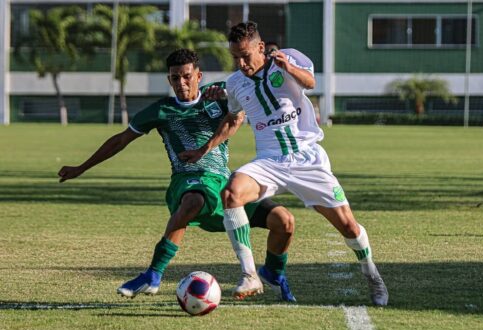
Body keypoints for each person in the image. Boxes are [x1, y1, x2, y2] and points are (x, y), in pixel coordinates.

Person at [57, 48, 297, 302]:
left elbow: (251, 89)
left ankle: (273, 271)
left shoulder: (220, 93)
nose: (181, 83)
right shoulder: (161, 110)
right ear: (169, 79)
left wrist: (272, 59)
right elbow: (120, 140)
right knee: (193, 201)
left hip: (224, 184)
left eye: (186, 76)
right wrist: (81, 167)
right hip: (187, 179)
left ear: (199, 75)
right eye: (175, 78)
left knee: (284, 221)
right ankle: (153, 275)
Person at [180, 22, 389, 306]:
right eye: (235, 58)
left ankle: (372, 275)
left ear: (261, 48)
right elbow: (232, 119)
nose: (241, 63)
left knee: (349, 227)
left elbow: (311, 83)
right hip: (269, 161)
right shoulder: (236, 83)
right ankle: (250, 274)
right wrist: (204, 148)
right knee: (231, 194)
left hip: (307, 159)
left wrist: (286, 67)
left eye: (246, 56)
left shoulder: (287, 60)